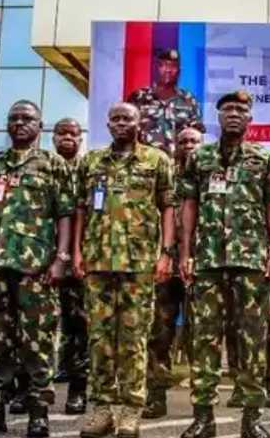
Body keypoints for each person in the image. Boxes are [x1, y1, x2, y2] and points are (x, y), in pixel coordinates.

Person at [177, 90, 270, 438]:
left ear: (250, 118)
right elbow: (188, 205)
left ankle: (251, 418)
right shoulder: (200, 158)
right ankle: (203, 417)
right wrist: (185, 252)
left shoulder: (263, 159)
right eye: (227, 109)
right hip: (207, 260)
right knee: (204, 339)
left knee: (253, 338)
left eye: (241, 109)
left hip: (251, 261)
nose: (234, 114)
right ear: (217, 117)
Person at [0, 101, 75, 437]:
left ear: (39, 125)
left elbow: (65, 214)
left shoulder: (52, 164)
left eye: (27, 119)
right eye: (13, 118)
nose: (19, 123)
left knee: (38, 341)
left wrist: (61, 259)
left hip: (36, 270)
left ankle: (38, 413)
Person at [74, 102, 175, 438]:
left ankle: (131, 411)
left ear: (138, 122)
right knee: (100, 338)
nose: (120, 123)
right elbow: (80, 210)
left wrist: (166, 253)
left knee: (134, 339)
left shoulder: (156, 160)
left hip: (139, 264)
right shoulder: (92, 162)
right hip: (98, 262)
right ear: (107, 123)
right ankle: (103, 410)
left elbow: (169, 208)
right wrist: (76, 250)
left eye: (126, 118)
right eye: (115, 118)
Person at [144, 127, 201, 420]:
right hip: (165, 264)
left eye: (194, 141)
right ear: (175, 146)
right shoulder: (164, 175)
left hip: (199, 265)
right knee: (159, 332)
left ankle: (201, 401)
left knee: (201, 334)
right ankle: (155, 395)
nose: (189, 145)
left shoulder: (209, 172)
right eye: (183, 141)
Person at [54, 117, 89, 416]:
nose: (67, 137)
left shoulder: (88, 169)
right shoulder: (43, 167)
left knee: (80, 324)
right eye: (61, 132)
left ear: (81, 138)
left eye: (73, 133)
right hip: (42, 258)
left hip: (79, 259)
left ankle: (79, 387)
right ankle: (26, 389)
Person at [127, 49, 202, 153]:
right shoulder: (138, 97)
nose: (168, 70)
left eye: (173, 66)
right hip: (145, 162)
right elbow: (127, 130)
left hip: (178, 163)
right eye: (164, 65)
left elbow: (196, 134)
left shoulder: (188, 99)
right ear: (157, 69)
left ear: (179, 70)